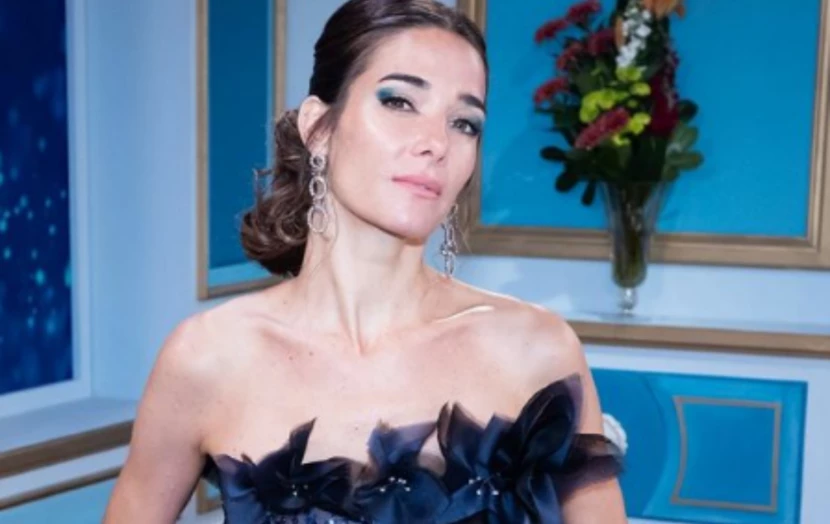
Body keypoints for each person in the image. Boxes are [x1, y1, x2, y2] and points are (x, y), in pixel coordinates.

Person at [104, 0, 626, 522]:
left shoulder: (536, 350)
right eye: (399, 101)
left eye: (465, 123)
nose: (436, 143)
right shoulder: (207, 358)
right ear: (319, 128)